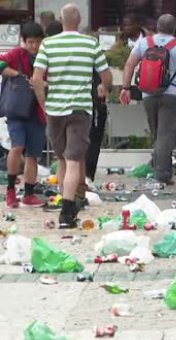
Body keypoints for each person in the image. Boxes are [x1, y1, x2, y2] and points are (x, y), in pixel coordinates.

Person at [32, 4, 112, 228]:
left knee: (62, 159)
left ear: (61, 19)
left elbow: (36, 79)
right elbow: (106, 76)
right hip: (79, 109)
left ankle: (63, 201)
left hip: (55, 110)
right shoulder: (91, 43)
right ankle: (67, 213)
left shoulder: (48, 43)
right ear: (80, 21)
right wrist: (103, 89)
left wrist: (44, 105)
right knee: (75, 160)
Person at [119, 14, 176, 186]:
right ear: (174, 28)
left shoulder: (144, 43)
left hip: (148, 94)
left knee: (158, 133)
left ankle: (160, 168)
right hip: (172, 95)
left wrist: (125, 88)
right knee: (166, 135)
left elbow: (130, 64)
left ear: (158, 27)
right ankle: (162, 174)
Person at [0, 22, 46, 209]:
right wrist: (18, 75)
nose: (33, 46)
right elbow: (1, 64)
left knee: (33, 154)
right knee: (17, 147)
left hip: (37, 111)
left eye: (37, 42)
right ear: (23, 41)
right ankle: (10, 190)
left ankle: (28, 193)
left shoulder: (45, 56)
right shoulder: (16, 54)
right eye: (30, 42)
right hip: (17, 111)